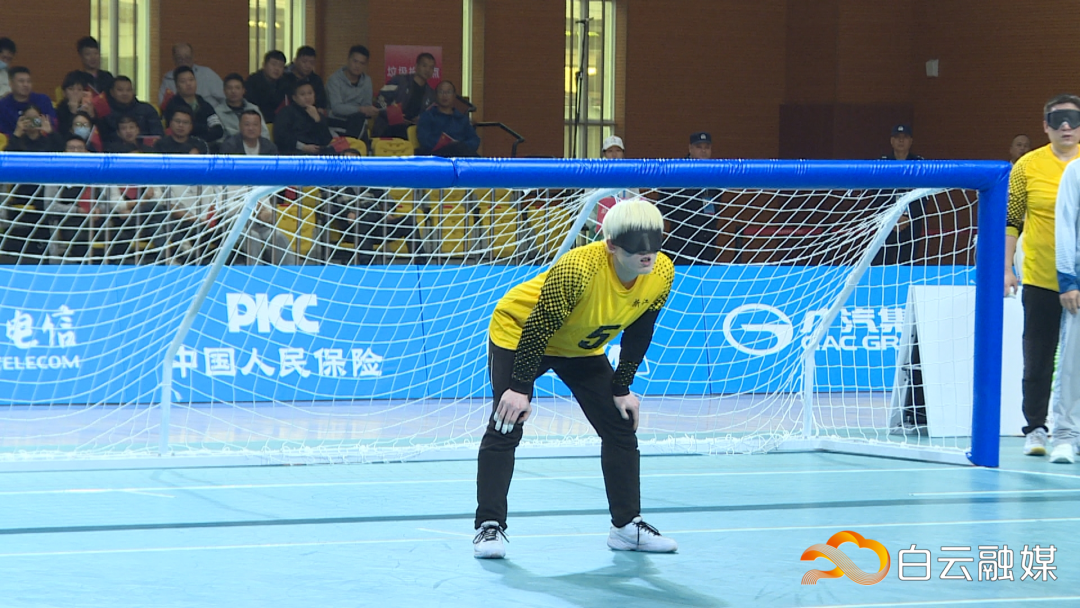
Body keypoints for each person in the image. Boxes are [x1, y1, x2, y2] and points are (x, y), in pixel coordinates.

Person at [473, 198, 679, 559]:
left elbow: (640, 331)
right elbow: (539, 327)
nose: (647, 254)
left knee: (620, 424)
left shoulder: (662, 272)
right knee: (506, 422)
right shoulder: (578, 268)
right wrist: (519, 388)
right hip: (520, 332)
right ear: (611, 244)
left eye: (654, 242)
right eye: (636, 246)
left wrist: (622, 387)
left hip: (579, 346)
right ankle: (489, 526)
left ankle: (626, 527)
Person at [1007, 94, 1080, 457]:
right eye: (1057, 119)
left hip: (1079, 280)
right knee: (1038, 358)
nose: (1066, 126)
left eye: (1073, 119)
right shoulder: (1027, 166)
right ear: (1045, 126)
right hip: (1040, 277)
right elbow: (1010, 221)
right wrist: (1006, 268)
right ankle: (1036, 428)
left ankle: (1072, 430)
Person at [655, 132, 718, 265]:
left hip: (707, 242)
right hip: (681, 240)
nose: (703, 151)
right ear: (690, 148)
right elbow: (663, 206)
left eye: (707, 147)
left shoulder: (716, 172)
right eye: (699, 147)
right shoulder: (677, 171)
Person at [873, 124, 927, 265]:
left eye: (905, 137)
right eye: (897, 137)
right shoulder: (882, 164)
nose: (901, 141)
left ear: (911, 141)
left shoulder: (920, 164)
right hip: (886, 222)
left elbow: (923, 196)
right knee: (883, 262)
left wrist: (906, 217)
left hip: (911, 224)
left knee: (907, 263)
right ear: (892, 141)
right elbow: (876, 196)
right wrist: (893, 217)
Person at [372, 52, 437, 139]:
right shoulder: (400, 81)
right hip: (388, 128)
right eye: (424, 66)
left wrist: (421, 119)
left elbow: (429, 116)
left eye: (431, 68)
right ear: (416, 66)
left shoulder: (431, 94)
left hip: (412, 132)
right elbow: (380, 99)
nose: (427, 70)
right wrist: (393, 114)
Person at [326, 45, 379, 139]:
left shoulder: (367, 81)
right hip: (337, 122)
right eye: (355, 61)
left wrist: (369, 110)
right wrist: (360, 109)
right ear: (348, 60)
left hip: (358, 122)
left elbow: (366, 106)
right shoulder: (334, 80)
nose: (357, 66)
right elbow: (336, 108)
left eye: (362, 63)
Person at [416, 80, 480, 157]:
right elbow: (424, 139)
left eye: (448, 92)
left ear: (454, 96)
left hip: (460, 153)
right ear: (435, 95)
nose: (444, 95)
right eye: (441, 92)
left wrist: (460, 144)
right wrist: (447, 144)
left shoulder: (462, 119)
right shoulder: (427, 117)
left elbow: (474, 140)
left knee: (460, 149)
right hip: (437, 155)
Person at [163, 66, 223, 145]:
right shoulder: (172, 105)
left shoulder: (205, 104)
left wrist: (199, 138)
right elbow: (176, 130)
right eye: (183, 81)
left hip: (206, 145)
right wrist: (206, 128)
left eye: (191, 80)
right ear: (177, 86)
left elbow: (218, 130)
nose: (188, 84)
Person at [97, 76, 163, 143]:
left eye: (129, 90)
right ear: (112, 92)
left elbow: (157, 135)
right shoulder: (105, 111)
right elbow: (104, 138)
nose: (125, 93)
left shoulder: (147, 109)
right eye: (120, 90)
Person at [273, 82, 333, 155]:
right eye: (302, 94)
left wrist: (318, 120)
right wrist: (303, 147)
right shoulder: (286, 112)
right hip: (295, 152)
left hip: (318, 152)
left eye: (310, 93)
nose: (307, 97)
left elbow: (327, 140)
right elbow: (281, 136)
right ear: (294, 98)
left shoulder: (317, 113)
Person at [158, 43, 225, 107]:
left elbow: (224, 98)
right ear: (174, 59)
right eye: (179, 58)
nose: (184, 61)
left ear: (193, 57)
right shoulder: (168, 78)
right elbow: (162, 104)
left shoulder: (207, 73)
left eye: (187, 57)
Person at [0, 67, 58, 134]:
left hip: (43, 138)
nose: (26, 85)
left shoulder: (43, 100)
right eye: (21, 81)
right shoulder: (3, 105)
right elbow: (3, 130)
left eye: (29, 81)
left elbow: (52, 123)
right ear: (11, 84)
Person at [214, 73, 270, 140]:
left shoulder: (253, 108)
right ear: (224, 91)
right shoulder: (218, 112)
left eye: (237, 88)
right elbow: (218, 138)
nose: (233, 91)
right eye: (229, 88)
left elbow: (264, 133)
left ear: (243, 90)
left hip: (255, 144)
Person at [245, 50, 290, 124]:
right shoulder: (252, 82)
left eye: (281, 66)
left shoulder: (286, 83)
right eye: (273, 64)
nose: (277, 69)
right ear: (264, 65)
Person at [284, 46, 328, 111]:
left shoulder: (316, 80)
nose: (308, 66)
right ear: (295, 60)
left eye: (312, 63)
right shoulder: (284, 77)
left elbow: (321, 105)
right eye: (304, 62)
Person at [55, 70, 96, 137]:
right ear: (64, 93)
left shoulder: (88, 107)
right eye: (71, 89)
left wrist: (92, 115)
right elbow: (63, 134)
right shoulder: (60, 110)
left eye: (79, 89)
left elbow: (97, 133)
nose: (75, 92)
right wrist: (73, 112)